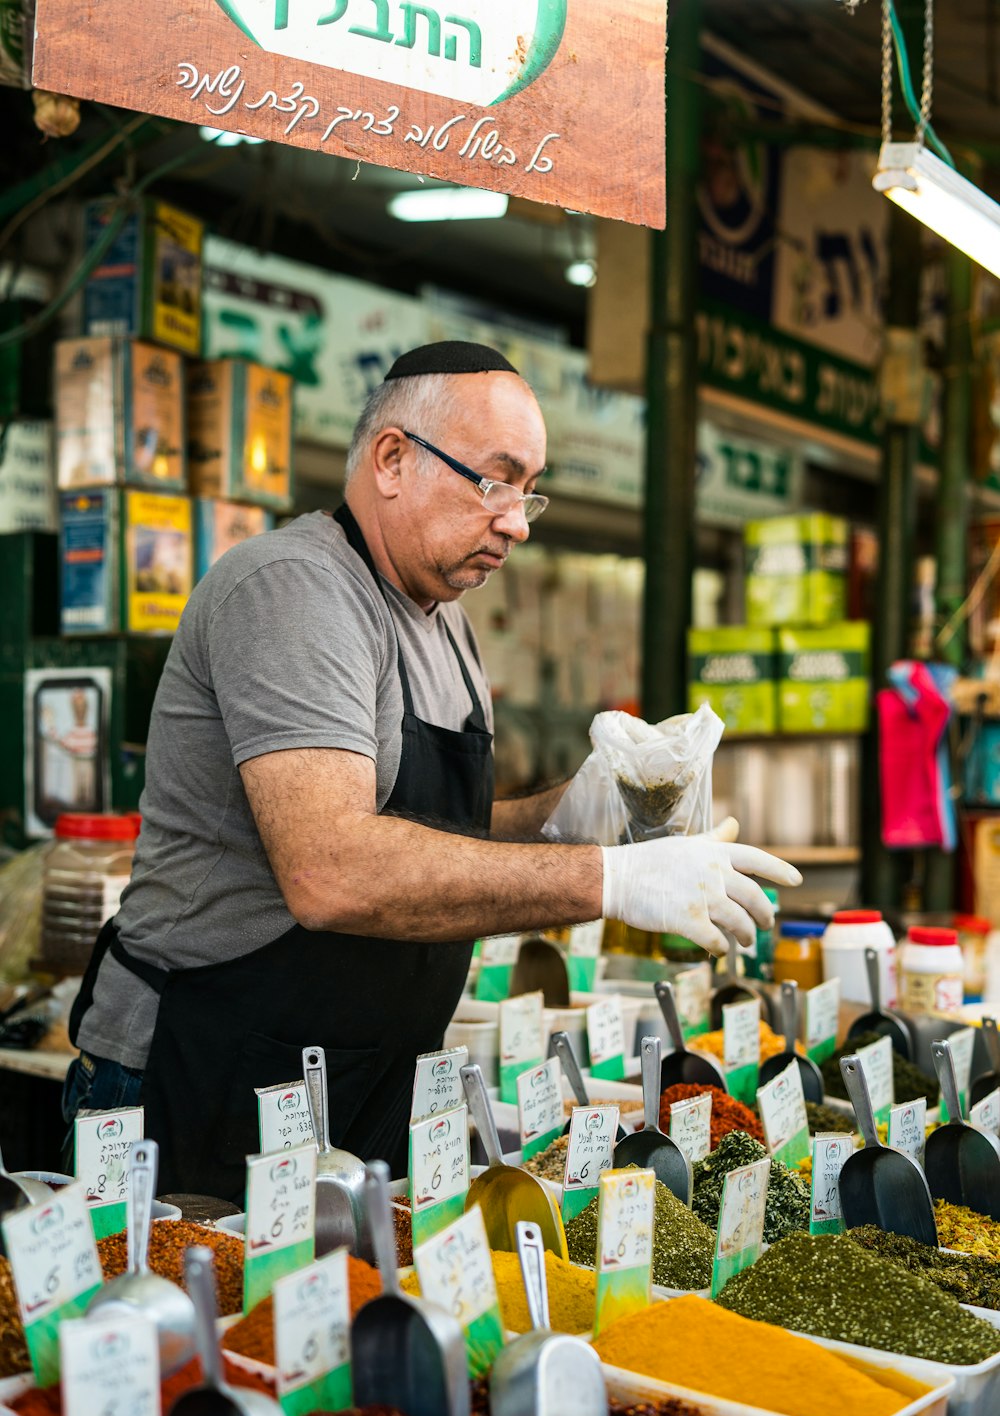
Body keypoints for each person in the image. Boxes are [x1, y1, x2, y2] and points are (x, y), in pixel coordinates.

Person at [63, 341, 800, 1199]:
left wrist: (579, 809)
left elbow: (434, 833)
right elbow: (330, 869)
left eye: (532, 490)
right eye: (497, 480)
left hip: (351, 1083)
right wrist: (608, 877)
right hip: (200, 1078)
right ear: (391, 459)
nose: (519, 521)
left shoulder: (442, 617)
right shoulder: (294, 589)